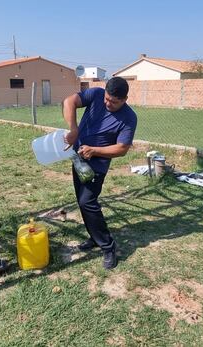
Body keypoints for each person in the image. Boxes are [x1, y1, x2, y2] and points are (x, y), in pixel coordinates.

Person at [62, 77, 137, 269]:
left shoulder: (129, 118)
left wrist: (95, 150)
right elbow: (69, 101)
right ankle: (94, 238)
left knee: (88, 202)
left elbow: (122, 148)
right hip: (78, 159)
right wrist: (73, 129)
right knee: (82, 201)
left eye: (114, 102)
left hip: (97, 165)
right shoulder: (95, 94)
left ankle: (108, 246)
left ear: (125, 99)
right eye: (107, 99)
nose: (108, 103)